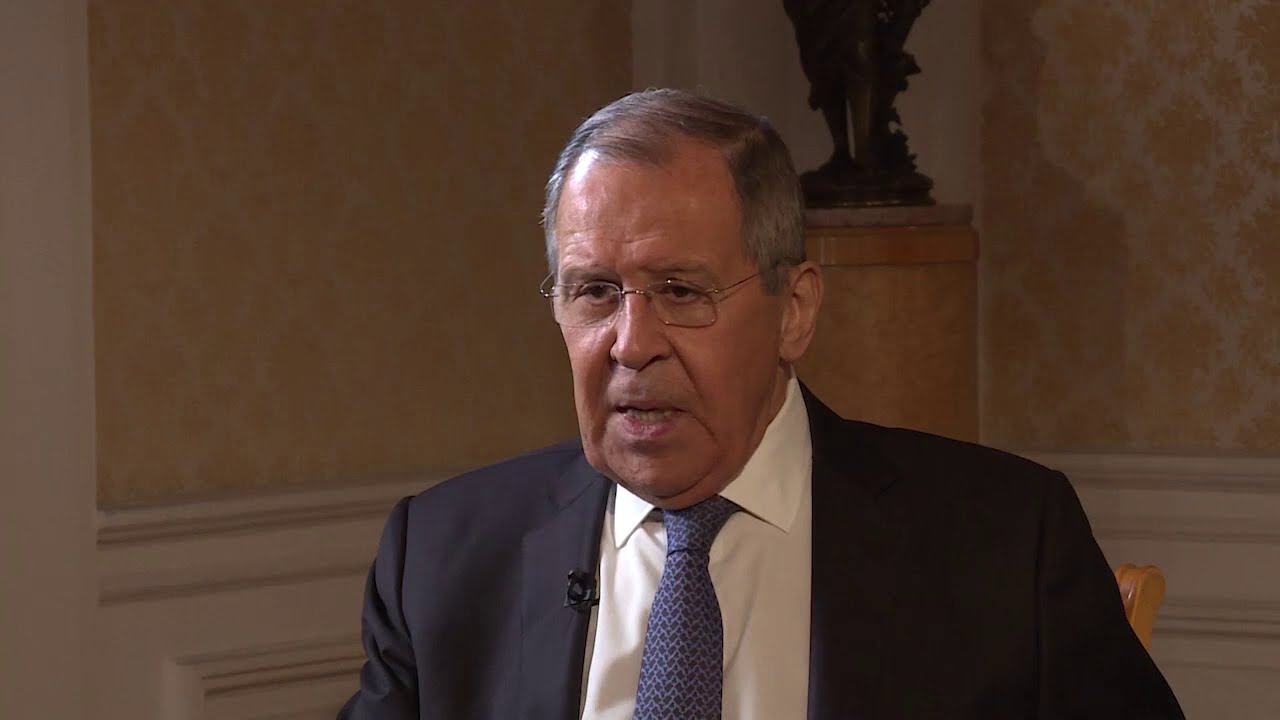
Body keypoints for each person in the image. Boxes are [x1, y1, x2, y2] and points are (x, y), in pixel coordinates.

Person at [339, 89, 1183, 719]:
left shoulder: (1003, 545)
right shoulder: (443, 558)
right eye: (593, 291)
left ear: (795, 310)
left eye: (681, 291)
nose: (631, 343)